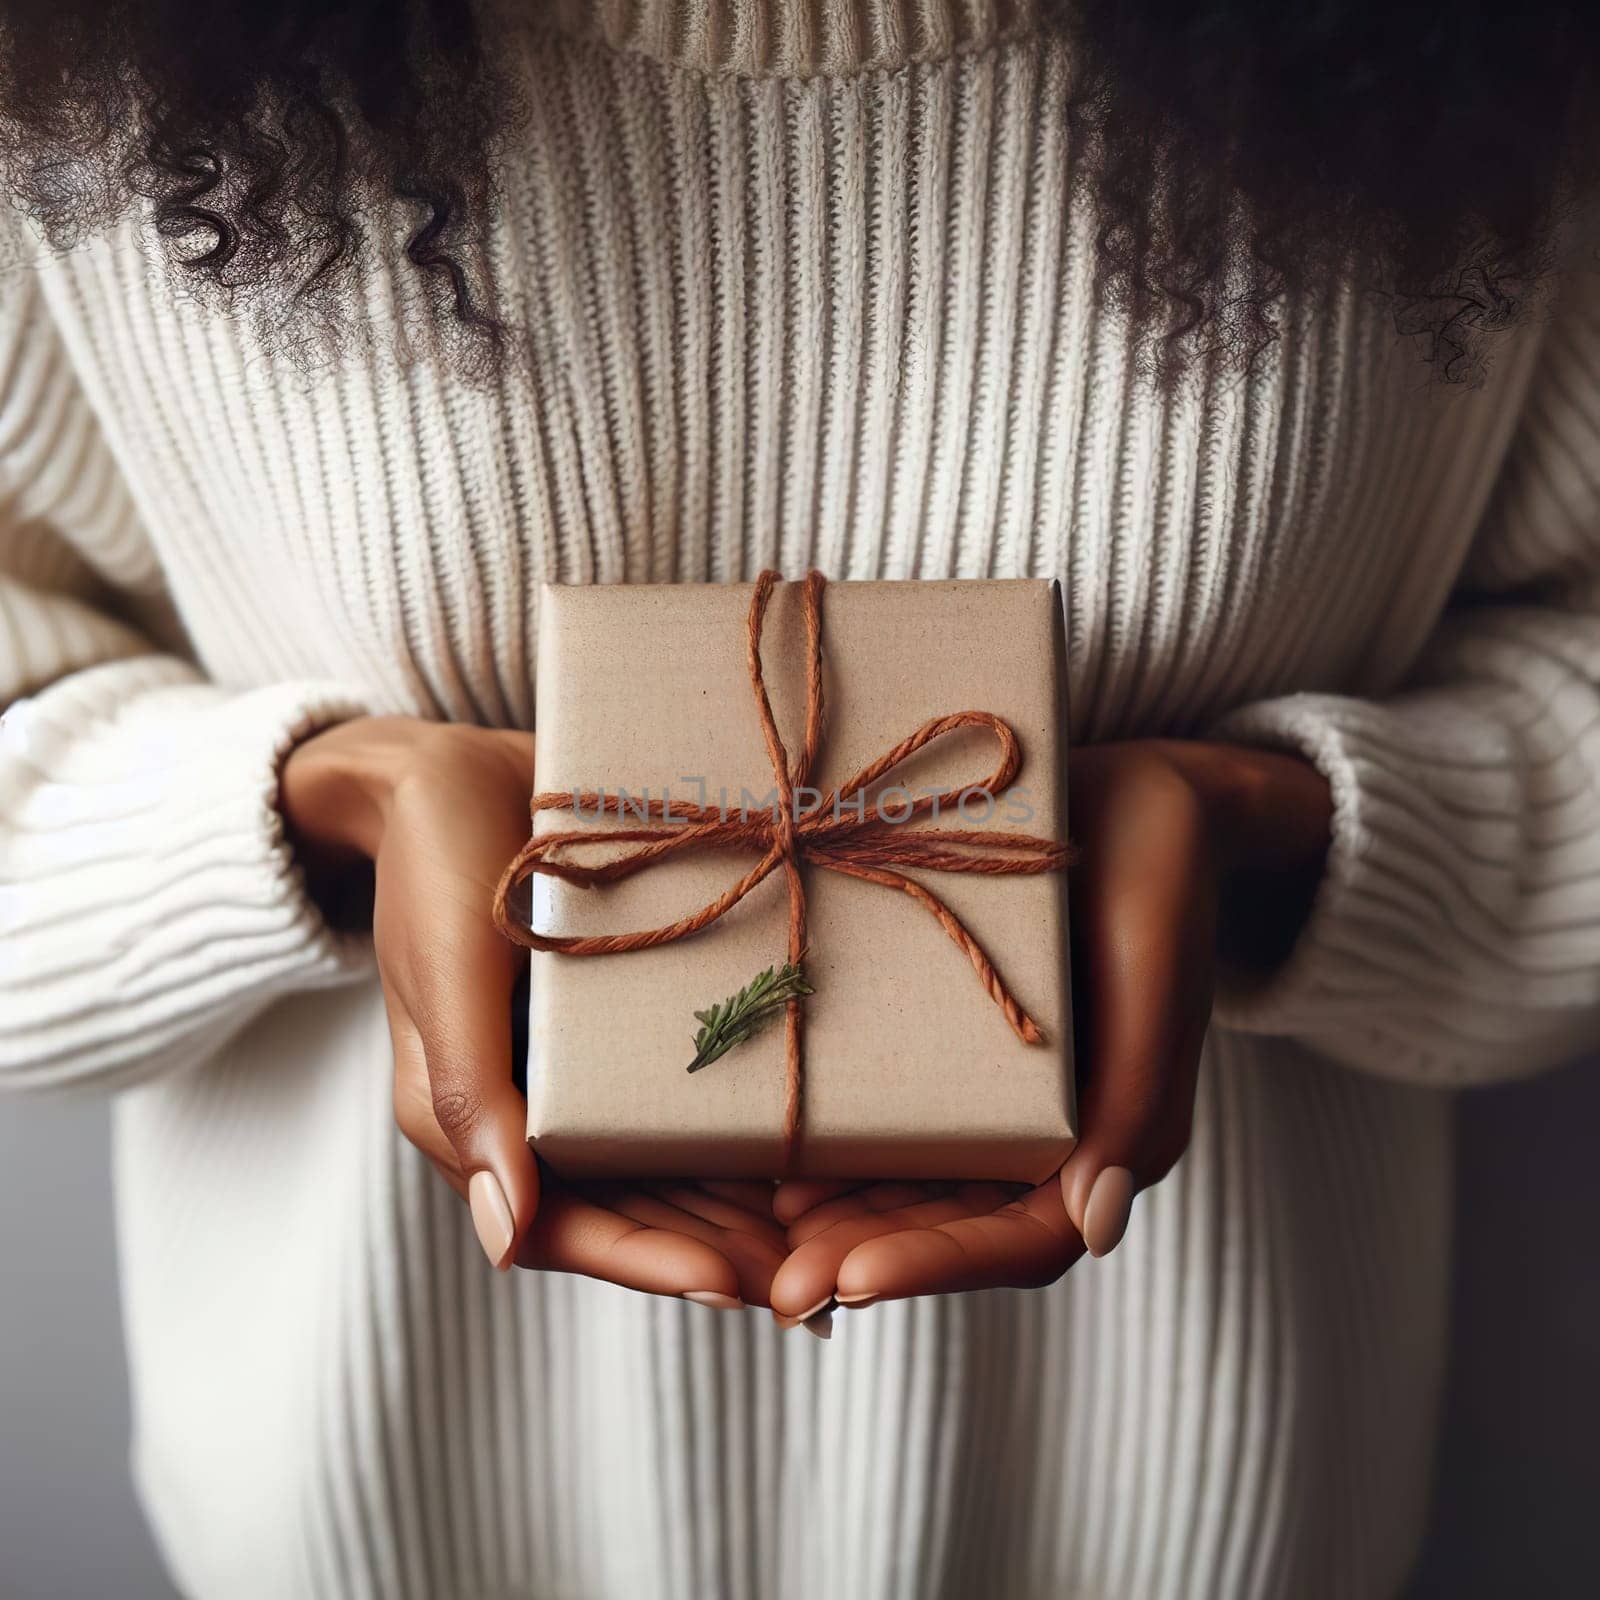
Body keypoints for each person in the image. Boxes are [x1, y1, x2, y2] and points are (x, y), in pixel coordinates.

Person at [2, 3, 1597, 1596]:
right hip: (376, 1516)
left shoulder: (1509, 68)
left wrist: (1292, 840)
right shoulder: (72, 61)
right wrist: (312, 815)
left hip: (1200, 1519)